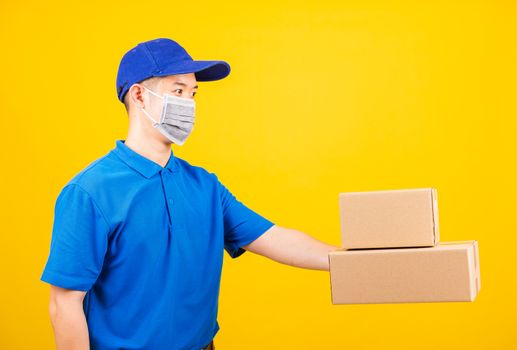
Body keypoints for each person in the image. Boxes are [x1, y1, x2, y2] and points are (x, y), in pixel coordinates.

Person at [40, 37, 340, 350]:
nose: (189, 104)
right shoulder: (89, 192)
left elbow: (275, 238)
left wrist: (348, 260)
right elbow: (64, 305)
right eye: (178, 91)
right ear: (139, 95)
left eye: (193, 93)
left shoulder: (204, 185)